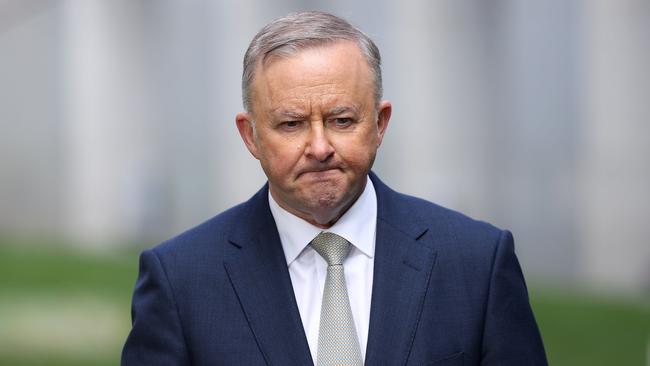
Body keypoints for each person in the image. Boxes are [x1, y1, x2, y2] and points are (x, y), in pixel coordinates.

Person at [121, 11, 547, 366]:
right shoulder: (182, 281)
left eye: (342, 120)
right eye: (291, 124)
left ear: (379, 124)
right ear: (250, 136)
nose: (320, 147)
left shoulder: (476, 263)